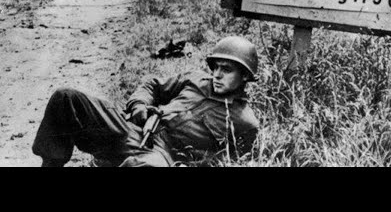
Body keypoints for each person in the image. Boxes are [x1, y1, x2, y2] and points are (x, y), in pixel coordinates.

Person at [32, 36, 260, 167]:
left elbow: (231, 161)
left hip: (165, 156)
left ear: (245, 76)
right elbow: (152, 85)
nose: (217, 75)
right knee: (67, 98)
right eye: (216, 67)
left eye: (227, 70)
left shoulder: (245, 122)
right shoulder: (197, 79)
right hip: (136, 129)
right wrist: (140, 107)